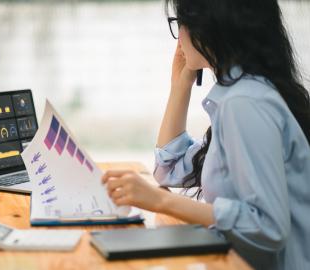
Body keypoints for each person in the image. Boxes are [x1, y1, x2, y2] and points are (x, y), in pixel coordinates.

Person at [101, 0, 310, 269]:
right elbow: (170, 168)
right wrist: (180, 86)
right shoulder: (241, 94)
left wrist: (162, 201)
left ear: (209, 27)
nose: (179, 38)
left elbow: (268, 226)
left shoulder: (245, 103)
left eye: (180, 24)